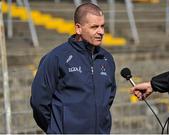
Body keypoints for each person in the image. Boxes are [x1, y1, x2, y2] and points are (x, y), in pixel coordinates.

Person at [30, 3, 116, 134]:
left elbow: (108, 98)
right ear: (78, 28)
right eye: (94, 27)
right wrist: (56, 130)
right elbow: (39, 103)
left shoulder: (107, 59)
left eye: (102, 26)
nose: (101, 32)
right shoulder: (56, 58)